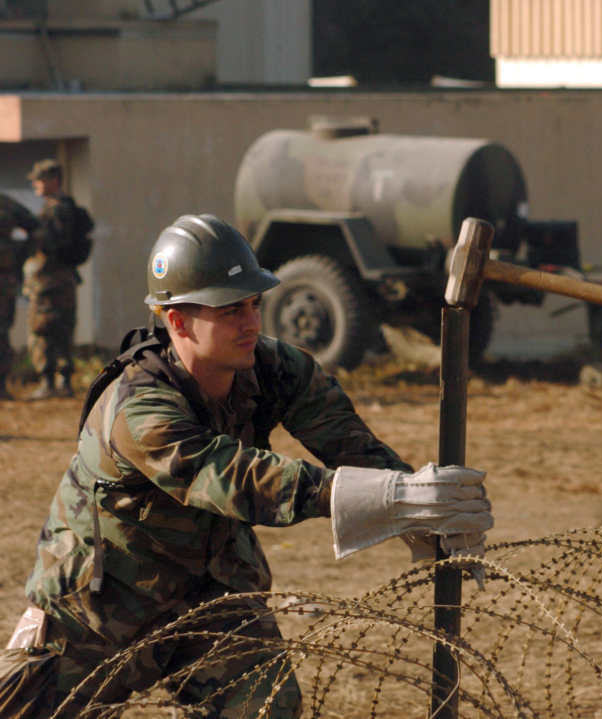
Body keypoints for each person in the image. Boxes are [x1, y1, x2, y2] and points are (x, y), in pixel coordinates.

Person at [0, 214, 493, 718]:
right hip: (98, 613)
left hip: (211, 597)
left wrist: (418, 500)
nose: (253, 322)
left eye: (255, 303)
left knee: (266, 710)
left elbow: (351, 445)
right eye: (232, 309)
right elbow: (232, 476)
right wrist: (372, 499)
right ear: (178, 321)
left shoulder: (277, 368)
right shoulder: (137, 408)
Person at [23, 159, 86, 400]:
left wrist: (33, 237)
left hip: (48, 281)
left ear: (54, 180)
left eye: (39, 180)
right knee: (63, 328)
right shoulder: (68, 206)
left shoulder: (55, 209)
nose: (35, 185)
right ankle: (64, 382)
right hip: (64, 279)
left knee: (42, 329)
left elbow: (52, 244)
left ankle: (49, 383)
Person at [0, 193, 39, 400]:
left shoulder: (6, 204)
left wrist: (17, 254)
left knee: (1, 331)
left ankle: (1, 385)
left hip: (3, 282)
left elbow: (36, 228)